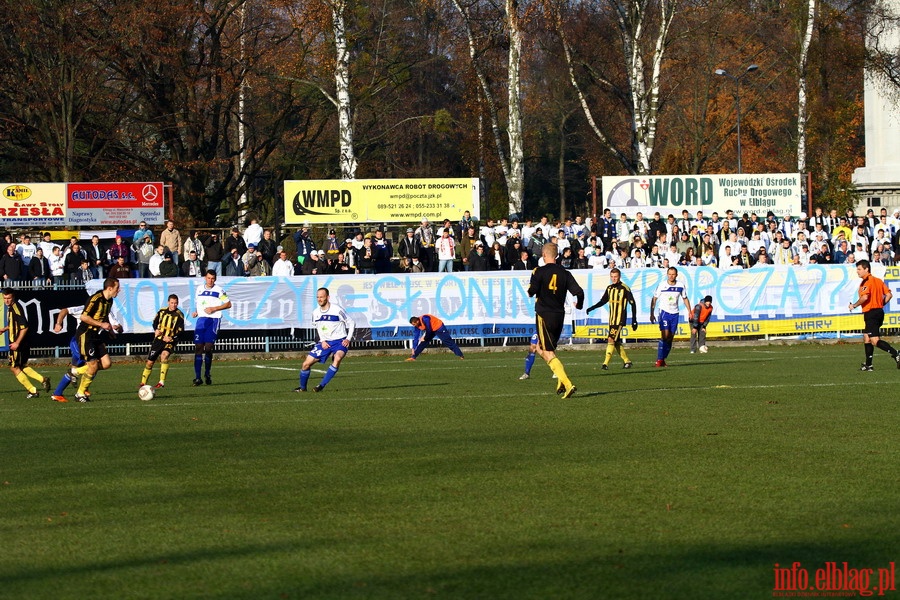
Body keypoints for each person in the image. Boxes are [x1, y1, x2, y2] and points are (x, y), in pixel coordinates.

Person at [527, 242, 584, 397]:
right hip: (559, 315)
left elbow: (531, 292)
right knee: (543, 348)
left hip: (544, 314)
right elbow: (579, 292)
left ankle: (568, 384)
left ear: (544, 255)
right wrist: (579, 305)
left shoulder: (538, 271)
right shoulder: (565, 273)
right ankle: (560, 379)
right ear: (557, 255)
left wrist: (530, 289)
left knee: (545, 351)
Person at [51, 304, 123, 402]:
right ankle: (69, 392)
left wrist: (115, 329)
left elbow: (116, 327)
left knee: (101, 364)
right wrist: (58, 323)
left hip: (92, 341)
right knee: (91, 365)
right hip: (79, 342)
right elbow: (64, 310)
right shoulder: (86, 309)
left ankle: (73, 389)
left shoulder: (107, 312)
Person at [294, 287, 355, 393]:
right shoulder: (315, 312)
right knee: (305, 364)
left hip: (339, 341)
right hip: (325, 342)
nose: (319, 299)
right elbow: (318, 327)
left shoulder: (337, 310)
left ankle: (321, 386)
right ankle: (302, 388)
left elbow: (351, 322)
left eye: (321, 297)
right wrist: (322, 341)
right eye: (317, 297)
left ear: (328, 297)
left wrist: (348, 339)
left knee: (337, 358)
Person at [70, 278, 121, 402]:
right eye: (117, 288)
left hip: (96, 335)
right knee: (92, 366)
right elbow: (83, 317)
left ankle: (76, 371)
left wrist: (110, 330)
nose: (118, 291)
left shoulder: (110, 301)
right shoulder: (95, 298)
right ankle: (80, 394)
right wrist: (101, 325)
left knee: (106, 364)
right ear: (109, 288)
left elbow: (104, 317)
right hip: (85, 334)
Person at [849, 259, 900, 371]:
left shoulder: (867, 282)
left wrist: (854, 305)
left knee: (875, 340)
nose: (857, 271)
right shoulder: (878, 280)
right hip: (878, 312)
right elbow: (889, 295)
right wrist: (881, 304)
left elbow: (865, 297)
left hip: (871, 313)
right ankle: (869, 365)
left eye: (859, 269)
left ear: (866, 269)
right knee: (866, 338)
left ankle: (896, 353)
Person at [1, 288, 51, 398]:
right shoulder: (11, 308)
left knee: (14, 367)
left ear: (13, 297)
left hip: (18, 343)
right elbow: (16, 325)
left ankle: (32, 390)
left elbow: (24, 327)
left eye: (9, 298)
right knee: (21, 365)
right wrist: (5, 328)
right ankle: (42, 379)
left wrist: (17, 343)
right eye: (4, 298)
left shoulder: (15, 309)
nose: (6, 301)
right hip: (21, 343)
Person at [586, 267, 637, 370]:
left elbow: (633, 303)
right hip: (612, 319)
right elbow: (603, 301)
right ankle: (627, 361)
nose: (614, 279)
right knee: (616, 341)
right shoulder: (609, 288)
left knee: (611, 339)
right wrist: (592, 307)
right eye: (612, 277)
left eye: (616, 277)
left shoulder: (625, 288)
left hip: (619, 320)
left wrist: (634, 320)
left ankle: (605, 364)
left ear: (619, 277)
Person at [190, 270, 232, 385]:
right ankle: (197, 377)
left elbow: (228, 304)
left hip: (213, 320)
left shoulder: (218, 290)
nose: (210, 280)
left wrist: (214, 308)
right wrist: (196, 312)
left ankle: (207, 373)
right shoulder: (199, 289)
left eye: (212, 278)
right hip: (201, 320)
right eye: (208, 278)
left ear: (215, 279)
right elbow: (198, 303)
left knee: (208, 348)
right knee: (198, 347)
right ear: (205, 278)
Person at [649, 266, 692, 367]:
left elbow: (685, 298)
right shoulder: (662, 285)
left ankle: (662, 359)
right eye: (669, 274)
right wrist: (651, 313)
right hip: (664, 312)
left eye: (673, 274)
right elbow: (654, 298)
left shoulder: (681, 285)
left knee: (670, 338)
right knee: (665, 336)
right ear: (667, 275)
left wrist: (690, 311)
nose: (671, 276)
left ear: (676, 275)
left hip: (675, 313)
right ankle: (659, 360)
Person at [140, 294, 185, 389]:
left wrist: (171, 338)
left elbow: (181, 332)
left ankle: (161, 382)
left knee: (164, 356)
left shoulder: (179, 315)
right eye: (172, 303)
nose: (173, 305)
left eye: (176, 303)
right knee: (149, 362)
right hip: (158, 340)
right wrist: (156, 329)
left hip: (170, 341)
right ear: (168, 302)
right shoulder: (161, 311)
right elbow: (155, 323)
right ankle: (143, 383)